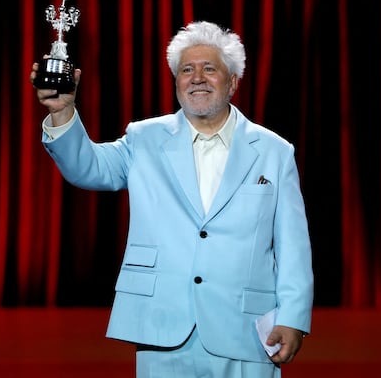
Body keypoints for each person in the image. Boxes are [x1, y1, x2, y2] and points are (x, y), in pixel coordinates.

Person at [30, 21, 314, 378]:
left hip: (245, 330)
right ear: (176, 81)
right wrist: (62, 112)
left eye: (209, 69)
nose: (197, 77)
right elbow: (88, 169)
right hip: (162, 326)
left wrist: (293, 317)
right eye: (186, 70)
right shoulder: (144, 138)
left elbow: (293, 245)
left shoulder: (274, 151)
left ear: (233, 81)